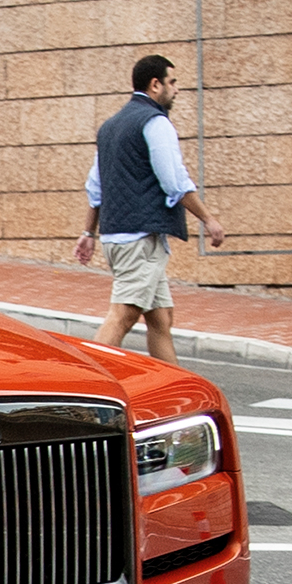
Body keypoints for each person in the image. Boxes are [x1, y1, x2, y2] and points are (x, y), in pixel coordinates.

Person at [71, 53, 224, 366]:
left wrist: (89, 232)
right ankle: (86, 385)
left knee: (161, 318)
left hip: (118, 237)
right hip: (139, 240)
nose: (177, 90)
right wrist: (208, 219)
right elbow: (175, 181)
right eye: (173, 82)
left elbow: (95, 186)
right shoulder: (155, 123)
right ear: (155, 85)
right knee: (122, 316)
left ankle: (174, 389)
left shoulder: (111, 126)